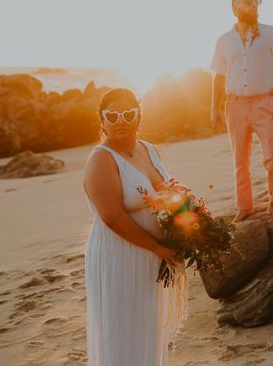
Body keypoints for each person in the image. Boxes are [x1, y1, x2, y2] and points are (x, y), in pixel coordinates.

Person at [83, 88, 188, 366]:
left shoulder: (149, 150)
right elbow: (112, 217)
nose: (121, 120)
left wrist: (187, 219)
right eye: (112, 115)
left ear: (138, 116)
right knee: (121, 329)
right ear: (102, 121)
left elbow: (166, 193)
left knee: (147, 326)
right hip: (119, 254)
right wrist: (156, 247)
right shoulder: (101, 159)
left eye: (129, 114)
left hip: (152, 256)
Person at [210, 0, 273, 223]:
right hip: (235, 106)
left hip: (265, 102)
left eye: (255, 2)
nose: (253, 6)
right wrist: (213, 107)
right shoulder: (223, 41)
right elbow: (218, 77)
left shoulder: (270, 33)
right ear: (235, 8)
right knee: (240, 160)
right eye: (247, 3)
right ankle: (244, 207)